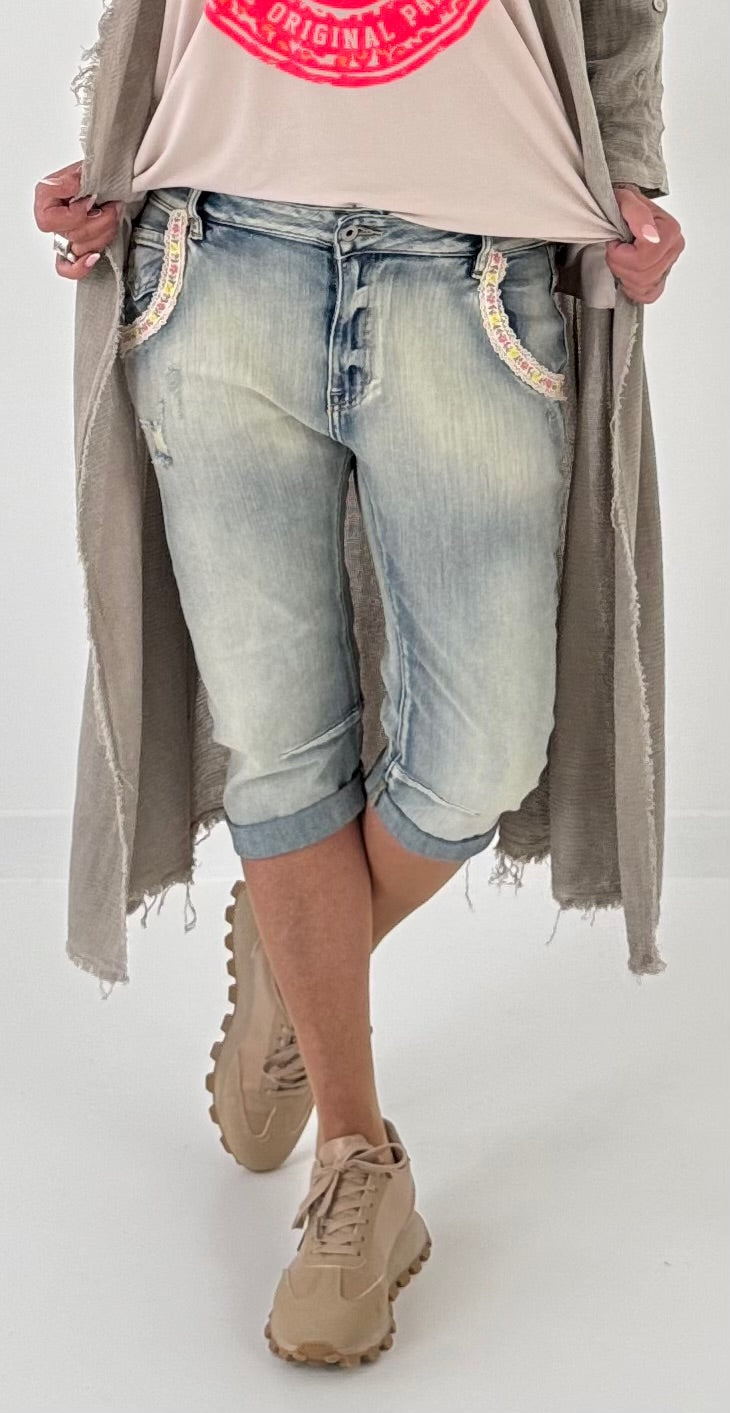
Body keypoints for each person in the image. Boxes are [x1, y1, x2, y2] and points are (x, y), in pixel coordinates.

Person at [33, 0, 683, 1369]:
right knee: (278, 742)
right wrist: (104, 138)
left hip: (480, 267)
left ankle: (297, 954)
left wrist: (627, 166)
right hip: (213, 251)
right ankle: (355, 1162)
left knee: (486, 747)